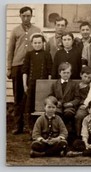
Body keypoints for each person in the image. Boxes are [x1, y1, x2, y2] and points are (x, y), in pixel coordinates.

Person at [7, 6, 41, 135]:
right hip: (18, 66)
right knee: (18, 96)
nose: (26, 18)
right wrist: (9, 67)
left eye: (28, 15)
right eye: (24, 16)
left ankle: (30, 125)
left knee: (30, 97)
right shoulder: (15, 31)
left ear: (31, 16)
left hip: (32, 67)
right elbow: (10, 50)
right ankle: (17, 125)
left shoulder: (36, 30)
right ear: (20, 16)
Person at [22, 33, 53, 131]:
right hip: (31, 84)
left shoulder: (46, 54)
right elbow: (25, 71)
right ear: (32, 43)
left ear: (43, 43)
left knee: (42, 106)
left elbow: (49, 71)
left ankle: (44, 127)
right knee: (30, 106)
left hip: (43, 85)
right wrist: (24, 84)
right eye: (35, 43)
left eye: (39, 42)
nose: (37, 44)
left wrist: (48, 84)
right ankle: (31, 128)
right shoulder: (29, 54)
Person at [50, 62, 80, 143]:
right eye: (64, 73)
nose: (66, 74)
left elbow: (77, 98)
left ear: (71, 73)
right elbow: (51, 96)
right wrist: (56, 102)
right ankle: (57, 133)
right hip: (59, 107)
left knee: (68, 113)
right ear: (60, 73)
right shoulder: (55, 84)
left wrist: (71, 103)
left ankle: (69, 135)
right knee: (56, 113)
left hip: (69, 107)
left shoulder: (74, 84)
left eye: (68, 73)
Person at [75, 66, 91, 138]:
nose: (86, 79)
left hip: (88, 105)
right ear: (81, 75)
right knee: (76, 115)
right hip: (78, 104)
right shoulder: (77, 85)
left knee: (80, 115)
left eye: (89, 77)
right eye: (85, 76)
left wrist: (85, 104)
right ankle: (78, 135)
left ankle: (87, 136)